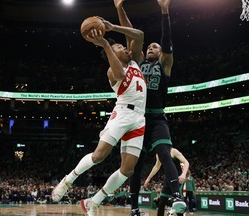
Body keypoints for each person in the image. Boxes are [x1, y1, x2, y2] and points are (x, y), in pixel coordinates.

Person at [51, 18, 147, 216]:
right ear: (112, 53)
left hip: (139, 118)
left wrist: (114, 24)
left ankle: (93, 202)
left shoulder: (135, 60)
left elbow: (139, 34)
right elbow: (121, 74)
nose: (127, 49)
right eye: (121, 47)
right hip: (122, 113)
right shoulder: (112, 71)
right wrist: (105, 43)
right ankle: (67, 180)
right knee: (99, 155)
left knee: (128, 170)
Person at [114, 0, 187, 215]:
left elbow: (168, 41)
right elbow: (131, 36)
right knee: (135, 166)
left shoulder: (164, 66)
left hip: (156, 118)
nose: (150, 48)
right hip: (137, 118)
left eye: (155, 47)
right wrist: (120, 9)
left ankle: (177, 197)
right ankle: (134, 207)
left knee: (165, 153)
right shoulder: (137, 63)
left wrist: (164, 11)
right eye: (149, 46)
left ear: (162, 53)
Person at [144, 148, 189, 216]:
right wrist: (148, 178)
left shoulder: (173, 151)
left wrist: (183, 174)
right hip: (167, 179)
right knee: (161, 203)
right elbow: (157, 166)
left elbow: (186, 162)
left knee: (178, 203)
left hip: (177, 179)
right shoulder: (158, 154)